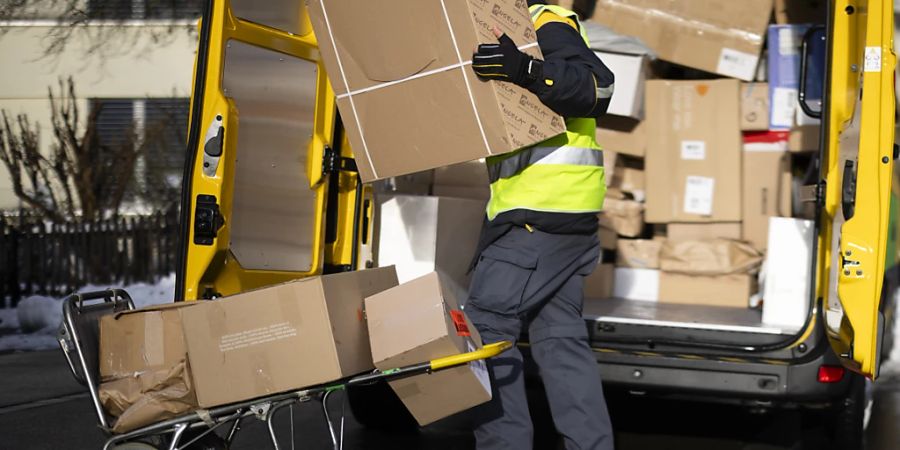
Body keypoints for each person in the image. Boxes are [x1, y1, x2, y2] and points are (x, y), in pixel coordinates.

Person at [465, 1, 615, 449]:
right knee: (560, 340)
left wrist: (527, 70)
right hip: (567, 216)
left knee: (486, 335)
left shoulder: (545, 23)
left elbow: (598, 89)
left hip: (537, 216)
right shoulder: (532, 26)